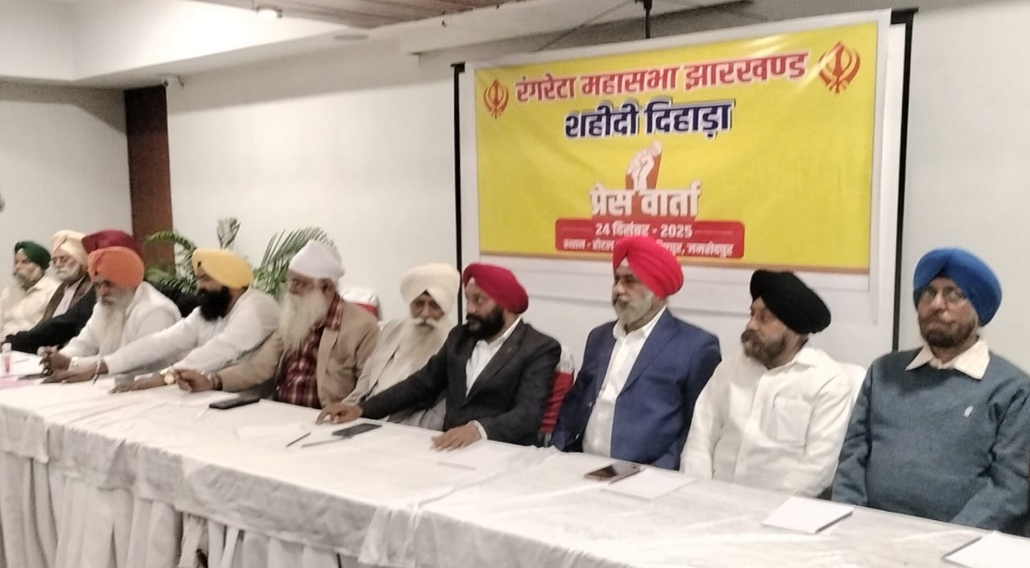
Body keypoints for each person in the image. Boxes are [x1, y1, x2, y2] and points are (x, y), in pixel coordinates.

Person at [833, 248, 1030, 533]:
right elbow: (853, 457)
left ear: (979, 309)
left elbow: (1010, 487)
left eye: (954, 294)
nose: (936, 304)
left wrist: (942, 542)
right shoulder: (884, 372)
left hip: (959, 543)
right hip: (867, 535)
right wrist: (849, 524)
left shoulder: (1013, 389)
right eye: (928, 292)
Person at [317, 263, 561, 449]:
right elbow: (422, 383)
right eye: (468, 300)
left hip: (502, 451)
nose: (469, 309)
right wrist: (362, 409)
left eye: (479, 301)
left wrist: (478, 430)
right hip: (447, 447)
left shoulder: (539, 347)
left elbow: (527, 414)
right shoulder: (461, 337)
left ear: (505, 305)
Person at [550, 236, 721, 469]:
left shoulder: (695, 346)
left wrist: (656, 472)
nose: (618, 289)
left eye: (630, 281)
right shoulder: (599, 337)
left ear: (657, 291)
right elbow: (575, 402)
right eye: (616, 279)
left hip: (644, 473)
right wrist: (557, 451)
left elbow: (697, 428)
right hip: (580, 463)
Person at [681, 270, 854, 496]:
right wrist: (697, 494)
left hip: (780, 508)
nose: (751, 324)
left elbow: (817, 469)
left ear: (793, 329)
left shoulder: (828, 382)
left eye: (764, 318)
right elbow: (699, 440)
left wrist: (763, 508)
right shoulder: (730, 368)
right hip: (710, 500)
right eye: (752, 314)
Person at [174, 241, 379, 409]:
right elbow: (260, 367)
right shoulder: (294, 318)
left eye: (299, 283)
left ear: (326, 287)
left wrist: (349, 411)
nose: (291, 290)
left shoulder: (361, 326)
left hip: (327, 419)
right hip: (282, 412)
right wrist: (212, 381)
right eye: (290, 281)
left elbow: (368, 385)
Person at [107, 249, 280, 392]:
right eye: (199, 279)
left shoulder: (258, 307)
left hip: (250, 400)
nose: (199, 287)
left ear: (230, 280)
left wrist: (164, 377)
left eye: (206, 279)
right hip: (208, 391)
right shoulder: (212, 308)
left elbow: (219, 350)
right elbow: (164, 340)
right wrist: (106, 364)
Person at [343, 263, 460, 430]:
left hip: (407, 430)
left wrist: (396, 432)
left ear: (445, 308)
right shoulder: (390, 330)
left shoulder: (454, 345)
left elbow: (440, 414)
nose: (425, 313)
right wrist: (346, 410)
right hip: (363, 419)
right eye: (419, 303)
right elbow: (363, 387)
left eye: (434, 305)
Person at [41, 246, 181, 382]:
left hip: (152, 387)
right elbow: (84, 343)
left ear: (128, 281)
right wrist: (58, 357)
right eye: (97, 285)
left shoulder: (156, 310)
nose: (102, 292)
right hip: (110, 382)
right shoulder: (105, 307)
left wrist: (73, 364)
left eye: (108, 284)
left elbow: (136, 361)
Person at [0, 241, 59, 337]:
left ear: (39, 267)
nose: (17, 267)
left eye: (24, 262)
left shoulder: (54, 291)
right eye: (16, 262)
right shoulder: (8, 292)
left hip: (33, 343)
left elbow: (52, 330)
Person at [41, 230, 91, 321]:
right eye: (54, 261)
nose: (58, 265)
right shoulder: (62, 288)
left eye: (63, 259)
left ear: (80, 259)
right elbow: (45, 323)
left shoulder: (91, 288)